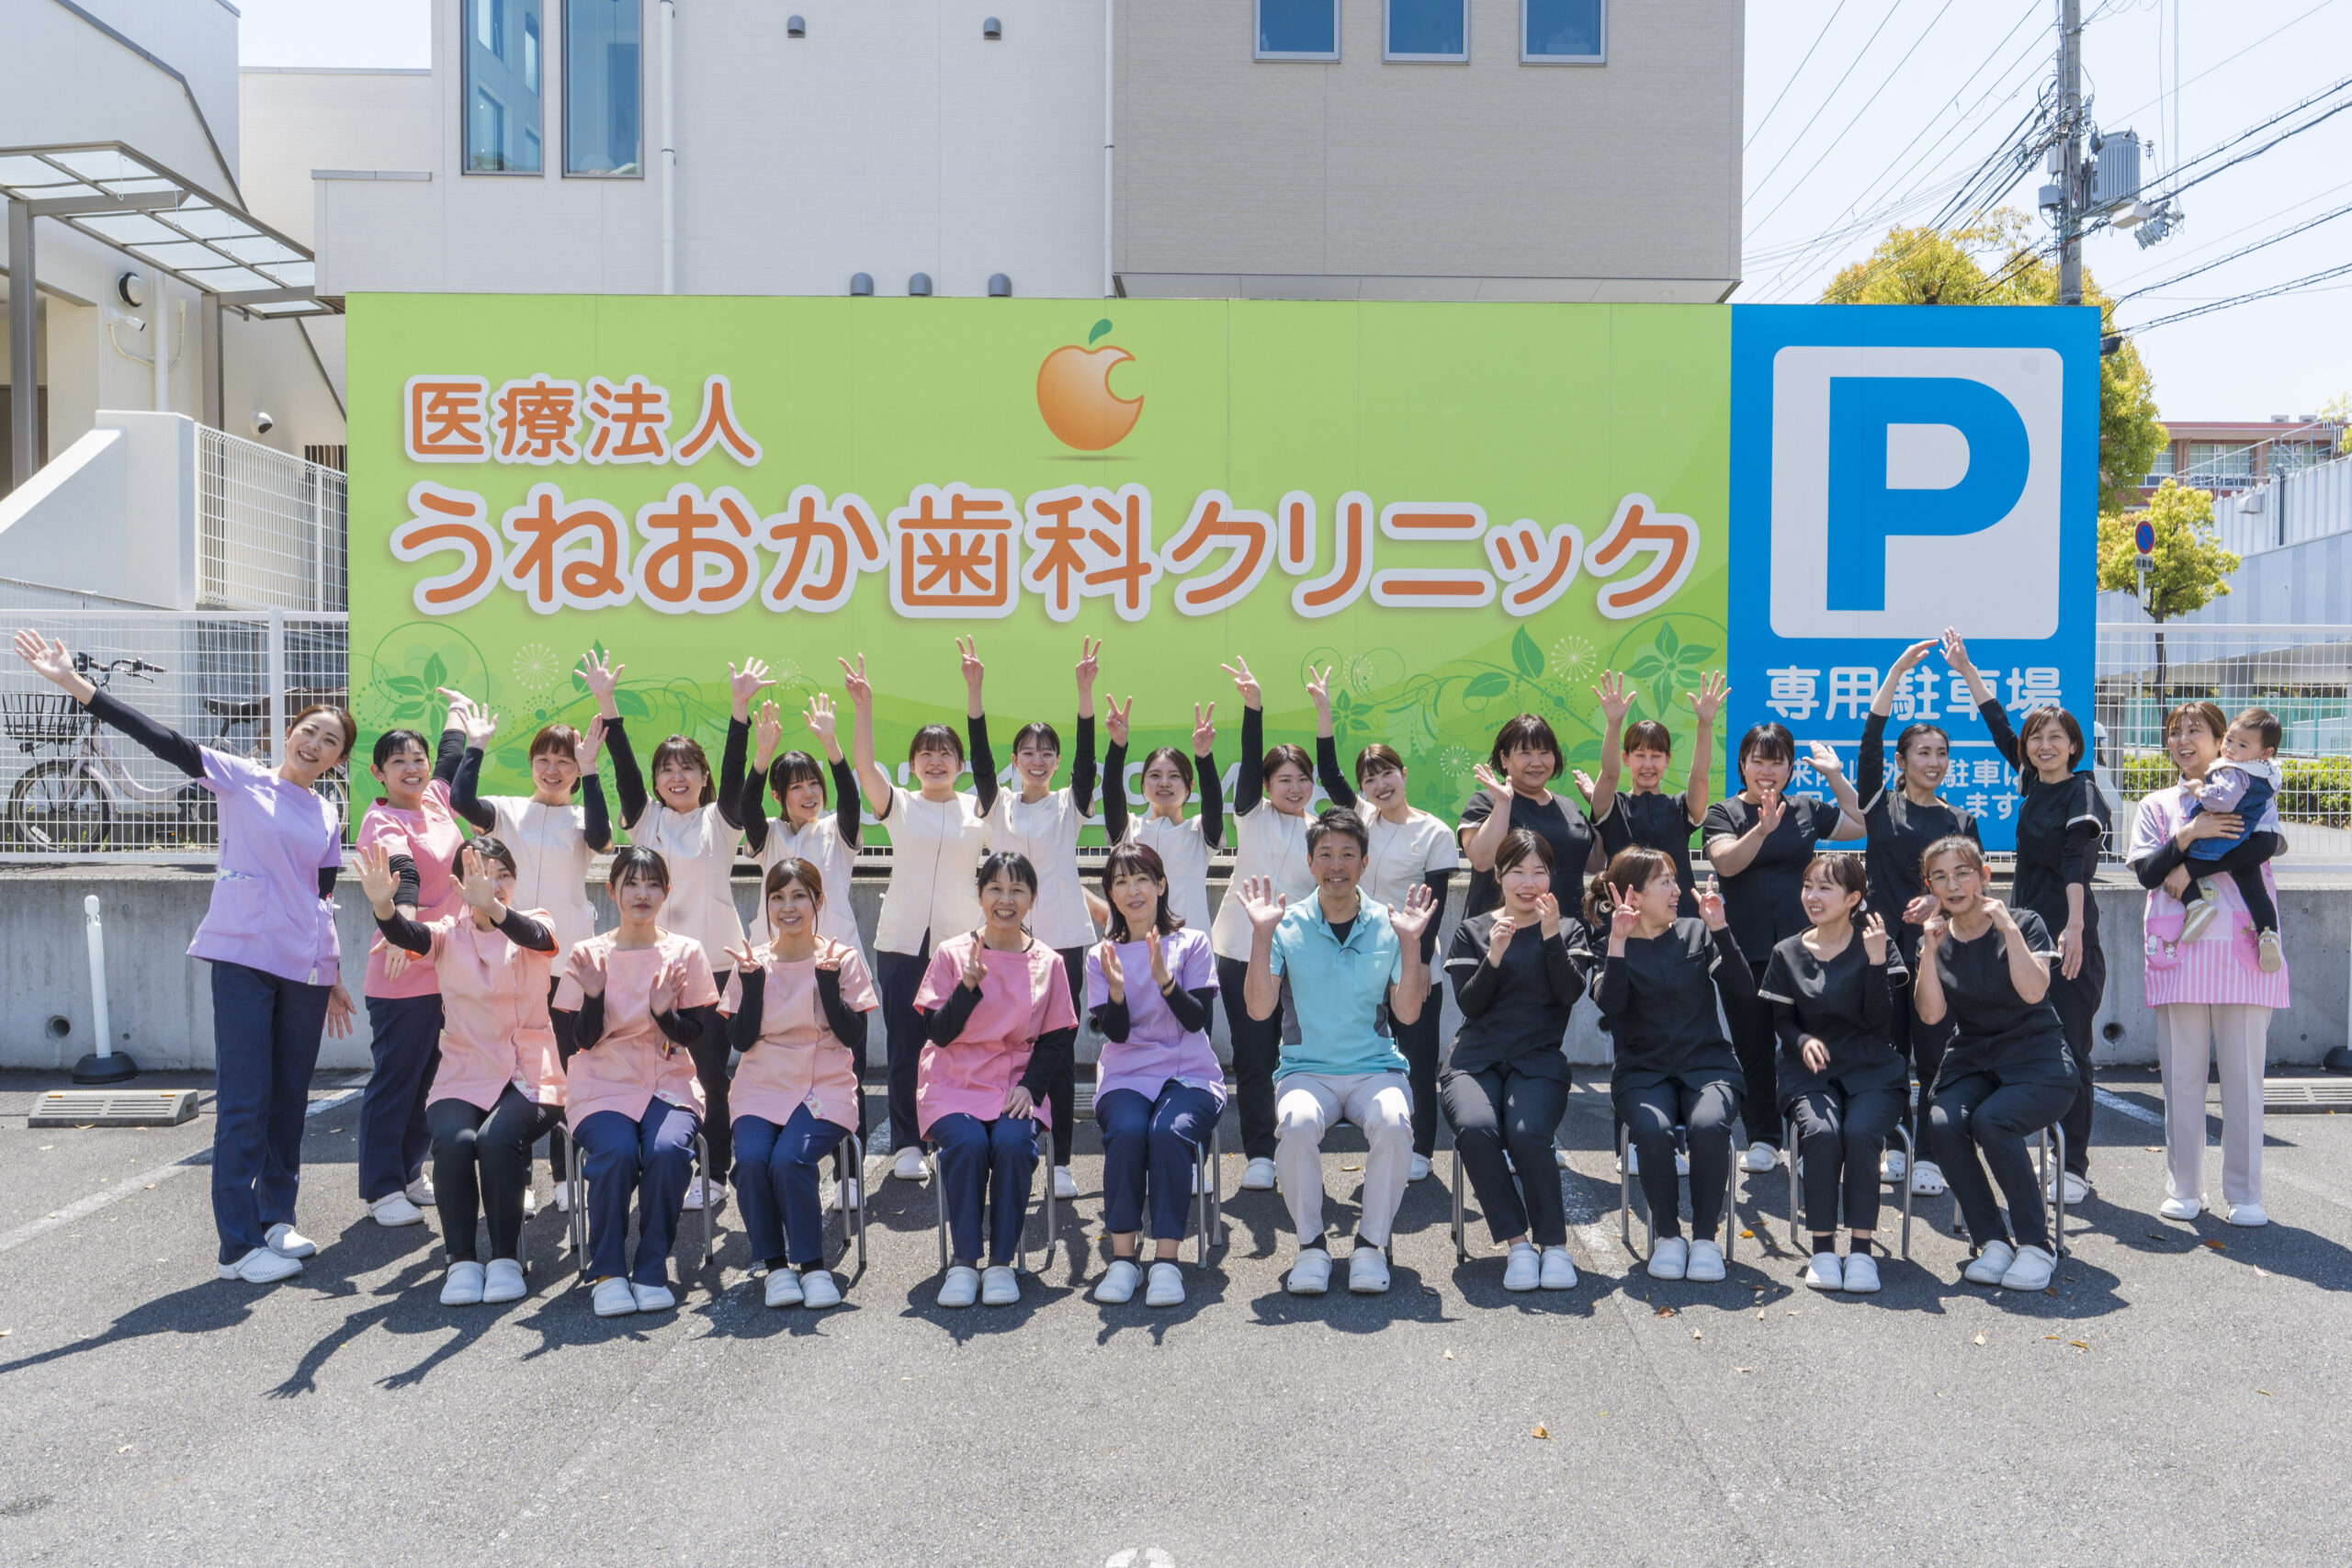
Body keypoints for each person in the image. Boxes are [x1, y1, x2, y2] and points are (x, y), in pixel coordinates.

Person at [11, 631, 355, 1284]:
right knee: (246, 1099)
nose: (315, 743)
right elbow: (160, 739)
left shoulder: (326, 811)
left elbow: (324, 896)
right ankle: (237, 1247)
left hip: (305, 971)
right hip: (244, 959)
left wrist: (331, 973)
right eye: (309, 730)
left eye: (329, 740)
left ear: (339, 757)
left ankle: (276, 1219)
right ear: (289, 733)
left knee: (289, 1098)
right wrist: (78, 687)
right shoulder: (240, 776)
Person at [1237, 810, 1438, 1297]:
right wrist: (1261, 935)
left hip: (1375, 1070)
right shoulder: (1285, 925)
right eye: (1325, 854)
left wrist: (1412, 945)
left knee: (1394, 1122)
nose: (1337, 865)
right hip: (1307, 1072)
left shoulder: (1391, 925)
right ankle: (1311, 1246)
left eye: (1348, 854)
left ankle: (1370, 1244)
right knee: (1297, 1124)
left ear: (1364, 863)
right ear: (1310, 862)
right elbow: (1258, 1009)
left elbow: (1408, 1014)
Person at [357, 840, 563, 1307]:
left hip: (529, 1073)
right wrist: (384, 907)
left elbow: (537, 937)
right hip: (465, 1071)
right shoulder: (448, 934)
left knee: (496, 1139)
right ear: (458, 884)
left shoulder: (536, 921)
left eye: (502, 874)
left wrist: (493, 906)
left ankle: (506, 1259)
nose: (492, 883)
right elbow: (408, 934)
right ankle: (462, 1261)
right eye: (479, 874)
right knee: (453, 1141)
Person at [1944, 632, 2111, 1205]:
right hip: (2025, 934)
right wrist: (1966, 670)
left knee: (2072, 1047)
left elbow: (2076, 861)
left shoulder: (2082, 793)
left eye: (2055, 737)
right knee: (2029, 1044)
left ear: (2074, 746)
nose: (2044, 746)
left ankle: (2075, 1164)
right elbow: (1999, 727)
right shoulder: (2031, 782)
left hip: (2067, 932)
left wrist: (2074, 928)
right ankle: (2035, 1148)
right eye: (2037, 737)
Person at [589, 649, 758, 1211]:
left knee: (709, 1073)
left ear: (704, 778)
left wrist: (739, 711)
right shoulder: (646, 821)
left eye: (688, 768)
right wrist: (607, 705)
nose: (677, 776)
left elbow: (736, 772)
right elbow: (623, 767)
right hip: (652, 967)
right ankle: (654, 1158)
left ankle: (715, 1173)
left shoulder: (722, 821)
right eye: (667, 768)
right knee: (654, 1069)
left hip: (714, 968)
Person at [444, 688, 610, 1212]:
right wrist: (475, 745)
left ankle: (567, 1175)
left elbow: (602, 837)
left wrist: (591, 770)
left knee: (564, 1068)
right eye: (544, 760)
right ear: (531, 764)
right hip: (507, 964)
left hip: (565, 961)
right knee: (510, 1069)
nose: (553, 770)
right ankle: (516, 1176)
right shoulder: (506, 811)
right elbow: (461, 801)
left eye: (565, 761)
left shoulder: (582, 817)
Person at [2125, 701, 2289, 1227]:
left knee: (2244, 1082)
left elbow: (2265, 845)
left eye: (2195, 731)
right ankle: (2184, 1188)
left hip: (2245, 951)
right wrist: (2190, 834)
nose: (2182, 741)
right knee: (2181, 1079)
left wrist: (2191, 868)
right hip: (2179, 953)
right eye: (2175, 733)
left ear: (2222, 741)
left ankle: (2245, 1193)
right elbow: (2147, 873)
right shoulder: (2156, 804)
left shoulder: (2252, 788)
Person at [842, 643, 995, 1185]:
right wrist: (864, 708)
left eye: (945, 753)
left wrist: (974, 691)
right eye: (925, 754)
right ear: (912, 765)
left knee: (957, 1041)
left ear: (960, 764)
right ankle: (908, 1143)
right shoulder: (900, 804)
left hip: (961, 944)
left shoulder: (979, 809)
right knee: (907, 1043)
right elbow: (864, 767)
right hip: (902, 940)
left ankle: (951, 1132)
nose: (934, 761)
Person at [556, 847, 723, 1317]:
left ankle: (652, 1267)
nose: (642, 893)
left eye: (652, 884)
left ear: (667, 892)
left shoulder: (686, 952)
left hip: (667, 1079)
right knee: (617, 1152)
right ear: (612, 891)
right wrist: (593, 997)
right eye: (631, 883)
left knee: (668, 1151)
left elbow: (696, 1035)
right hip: (601, 1082)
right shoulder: (588, 954)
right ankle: (608, 1272)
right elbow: (579, 1041)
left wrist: (662, 1013)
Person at [912, 853, 1080, 1309]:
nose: (1006, 899)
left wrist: (1031, 1088)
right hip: (953, 1081)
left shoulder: (1049, 962)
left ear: (1032, 899)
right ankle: (965, 1263)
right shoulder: (952, 954)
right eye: (996, 889)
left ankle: (1002, 1262)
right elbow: (937, 1032)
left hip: (1015, 1083)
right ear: (980, 895)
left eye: (1017, 890)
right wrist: (966, 989)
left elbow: (1056, 1040)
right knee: (967, 1144)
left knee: (1012, 1143)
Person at [1912, 836, 2076, 1291]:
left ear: (1983, 876)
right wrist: (1928, 952)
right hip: (1974, 1056)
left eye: (1962, 873)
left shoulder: (2024, 922)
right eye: (1940, 877)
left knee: (1992, 1121)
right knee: (1942, 1123)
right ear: (1930, 886)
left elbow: (2034, 991)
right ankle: (1992, 1240)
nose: (1953, 885)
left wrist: (2008, 930)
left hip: (2038, 1056)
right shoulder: (1937, 937)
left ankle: (2036, 1245)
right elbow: (1931, 1015)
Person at [973, 637, 1103, 1201]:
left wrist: (1084, 692)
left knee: (1058, 1049)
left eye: (1047, 752)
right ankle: (1001, 1145)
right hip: (1005, 942)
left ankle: (1061, 1161)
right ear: (1015, 760)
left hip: (1064, 938)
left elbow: (1086, 762)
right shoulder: (997, 804)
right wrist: (975, 692)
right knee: (1003, 1044)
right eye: (1027, 751)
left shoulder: (1070, 804)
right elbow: (979, 760)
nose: (1037, 759)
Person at [1702, 721, 1863, 1174]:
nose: (1768, 771)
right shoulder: (1724, 812)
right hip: (1743, 950)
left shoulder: (1807, 808)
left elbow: (1860, 823)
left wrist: (1835, 776)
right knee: (1752, 1046)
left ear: (1791, 767)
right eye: (1759, 761)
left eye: (1777, 762)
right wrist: (1761, 829)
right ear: (1743, 765)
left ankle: (1814, 1137)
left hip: (1806, 950)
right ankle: (1764, 1138)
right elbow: (1726, 862)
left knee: (1810, 1042)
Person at [720, 858, 877, 1311]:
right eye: (777, 897)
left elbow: (853, 1035)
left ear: (818, 902)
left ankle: (812, 1266)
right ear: (767, 904)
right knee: (752, 1160)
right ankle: (775, 1267)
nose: (787, 907)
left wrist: (828, 985)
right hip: (761, 1083)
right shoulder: (752, 961)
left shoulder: (842, 959)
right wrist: (751, 986)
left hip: (823, 1083)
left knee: (790, 1159)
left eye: (798, 897)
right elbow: (740, 1041)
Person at [1207, 657, 1339, 1193]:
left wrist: (1324, 716)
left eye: (1304, 779)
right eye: (1284, 779)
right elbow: (1245, 760)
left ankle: (1297, 1143)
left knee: (1301, 1053)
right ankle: (1260, 1152)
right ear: (1265, 785)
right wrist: (1253, 708)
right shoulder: (1251, 815)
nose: (1296, 787)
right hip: (1242, 951)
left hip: (1304, 956)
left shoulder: (1322, 830)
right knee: (1254, 1053)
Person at [1590, 848, 1752, 1282]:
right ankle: (1667, 1235)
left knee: (1708, 1125)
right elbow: (1612, 1006)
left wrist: (1721, 929)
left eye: (1674, 880)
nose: (1677, 890)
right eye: (1664, 882)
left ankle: (1704, 1238)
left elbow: (1742, 989)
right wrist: (1618, 941)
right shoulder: (1609, 944)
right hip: (1643, 1070)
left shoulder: (1696, 932)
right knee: (1652, 1129)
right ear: (1634, 895)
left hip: (1709, 1064)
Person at [1441, 829, 1593, 1292]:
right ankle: (1518, 1245)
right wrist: (1494, 956)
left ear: (1551, 876)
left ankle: (1555, 1247)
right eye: (1517, 872)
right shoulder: (1474, 930)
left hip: (1538, 1059)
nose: (1529, 883)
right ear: (1498, 875)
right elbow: (1470, 1005)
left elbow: (1569, 993)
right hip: (1475, 1058)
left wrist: (1549, 937)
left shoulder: (1567, 928)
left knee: (1528, 1136)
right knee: (1475, 1128)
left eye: (1539, 872)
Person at [1854, 640, 1978, 1200]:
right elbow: (1870, 737)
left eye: (1941, 753)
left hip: (1940, 952)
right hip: (1881, 949)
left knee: (1934, 1053)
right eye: (1923, 752)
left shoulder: (1961, 821)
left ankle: (1929, 1151)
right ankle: (1896, 1145)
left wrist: (1939, 901)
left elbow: (1972, 889)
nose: (1934, 761)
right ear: (1901, 762)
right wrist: (1898, 672)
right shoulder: (1879, 804)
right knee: (1886, 1053)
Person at [740, 690, 869, 1210]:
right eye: (796, 786)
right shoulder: (767, 836)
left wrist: (832, 747)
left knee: (846, 1065)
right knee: (777, 1066)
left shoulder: (839, 832)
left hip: (836, 966)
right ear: (780, 795)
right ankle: (781, 1157)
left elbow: (852, 800)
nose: (809, 793)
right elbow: (745, 807)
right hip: (778, 969)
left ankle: (849, 1175)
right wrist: (761, 755)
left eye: (814, 783)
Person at [1085, 843, 1223, 1309]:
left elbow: (1197, 1021)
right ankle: (1124, 1259)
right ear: (1111, 894)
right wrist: (1117, 991)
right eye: (1121, 882)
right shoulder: (1100, 955)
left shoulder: (1193, 943)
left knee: (1168, 1133)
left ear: (1161, 885)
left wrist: (1165, 980)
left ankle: (1166, 1261)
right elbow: (1117, 1034)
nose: (1133, 890)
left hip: (1189, 1073)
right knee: (1126, 1132)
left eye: (1142, 878)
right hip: (1127, 1071)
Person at [1761, 855, 1905, 1294]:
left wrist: (1877, 963)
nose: (1812, 896)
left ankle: (1861, 1251)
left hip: (1872, 1067)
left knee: (1861, 1132)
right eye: (1808, 886)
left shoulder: (1877, 943)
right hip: (1809, 1071)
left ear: (1853, 898)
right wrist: (1802, 1040)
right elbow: (1782, 1022)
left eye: (1825, 888)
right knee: (1822, 1133)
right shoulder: (1787, 952)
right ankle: (1822, 1249)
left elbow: (1880, 1022)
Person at [1317, 739, 1459, 1182]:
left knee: (1417, 1056)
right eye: (1369, 779)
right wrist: (1323, 713)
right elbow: (1329, 773)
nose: (1380, 785)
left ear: (1404, 773)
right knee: (1370, 1058)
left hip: (1413, 958)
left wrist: (1418, 964)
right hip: (1361, 959)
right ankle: (1385, 1137)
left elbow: (1433, 908)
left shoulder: (1435, 832)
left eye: (1387, 773)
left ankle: (1421, 1150)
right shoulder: (1362, 819)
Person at [354, 701, 469, 1227]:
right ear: (379, 773)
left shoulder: (437, 802)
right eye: (397, 761)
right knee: (397, 1081)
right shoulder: (382, 819)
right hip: (403, 967)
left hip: (447, 962)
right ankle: (381, 1189)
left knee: (432, 1077)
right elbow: (403, 873)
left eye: (416, 758)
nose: (412, 768)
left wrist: (458, 713)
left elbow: (450, 759)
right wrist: (399, 929)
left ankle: (408, 1171)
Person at [1581, 669, 1728, 916]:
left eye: (1656, 756)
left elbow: (1700, 777)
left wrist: (1704, 724)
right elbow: (1608, 774)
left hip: (1678, 918)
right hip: (1623, 919)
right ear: (1626, 758)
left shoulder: (1681, 807)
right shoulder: (1612, 806)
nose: (1648, 765)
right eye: (1640, 755)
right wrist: (1614, 723)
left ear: (1667, 759)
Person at [1102, 696, 1222, 939]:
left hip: (1188, 946)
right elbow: (1111, 794)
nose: (1164, 783)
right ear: (1142, 785)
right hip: (1131, 945)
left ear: (1189, 787)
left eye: (1174, 776)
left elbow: (1213, 804)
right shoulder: (1129, 830)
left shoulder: (1200, 833)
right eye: (1155, 776)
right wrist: (1117, 745)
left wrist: (1203, 756)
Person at [1459, 711, 1596, 921]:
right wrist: (1503, 803)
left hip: (1567, 932)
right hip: (1502, 933)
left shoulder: (1570, 807)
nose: (1536, 762)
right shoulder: (1486, 802)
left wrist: (1599, 806)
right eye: (1525, 753)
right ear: (1504, 758)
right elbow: (1482, 861)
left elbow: (1595, 863)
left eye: (1544, 752)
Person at [2176, 708, 2286, 968]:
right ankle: (2268, 935)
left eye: (2242, 745)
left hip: (2246, 838)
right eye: (2229, 740)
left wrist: (2200, 791)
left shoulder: (2235, 771)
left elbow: (2223, 801)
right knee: (2253, 887)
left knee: (2184, 862)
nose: (2231, 749)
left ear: (2266, 752)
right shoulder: (2266, 771)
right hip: (2266, 838)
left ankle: (2195, 905)